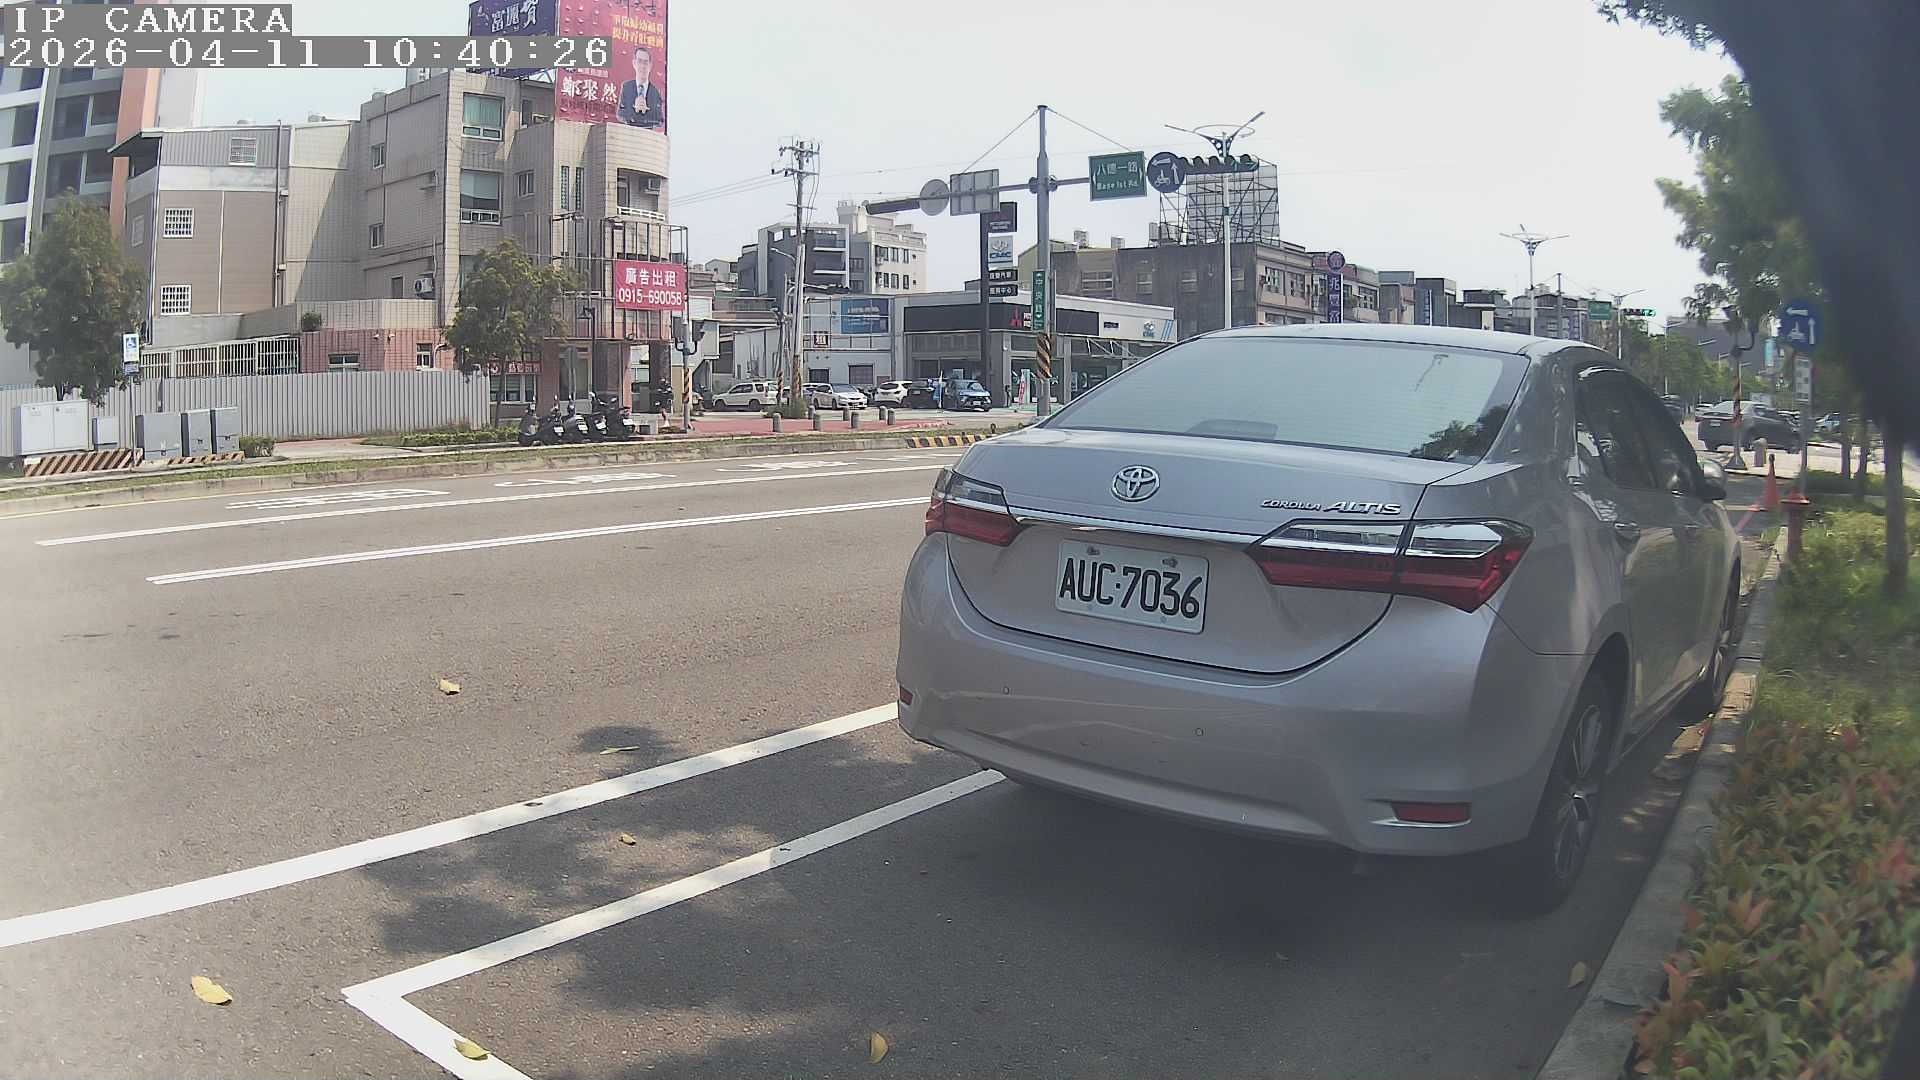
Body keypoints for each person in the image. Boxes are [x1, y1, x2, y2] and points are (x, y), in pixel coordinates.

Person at [618, 46, 665, 129]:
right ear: (634, 63)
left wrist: (646, 110)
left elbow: (659, 121)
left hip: (647, 135)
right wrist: (635, 109)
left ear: (650, 66)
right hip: (629, 132)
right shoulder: (626, 87)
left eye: (645, 62)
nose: (643, 66)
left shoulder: (656, 91)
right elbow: (620, 114)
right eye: (639, 61)